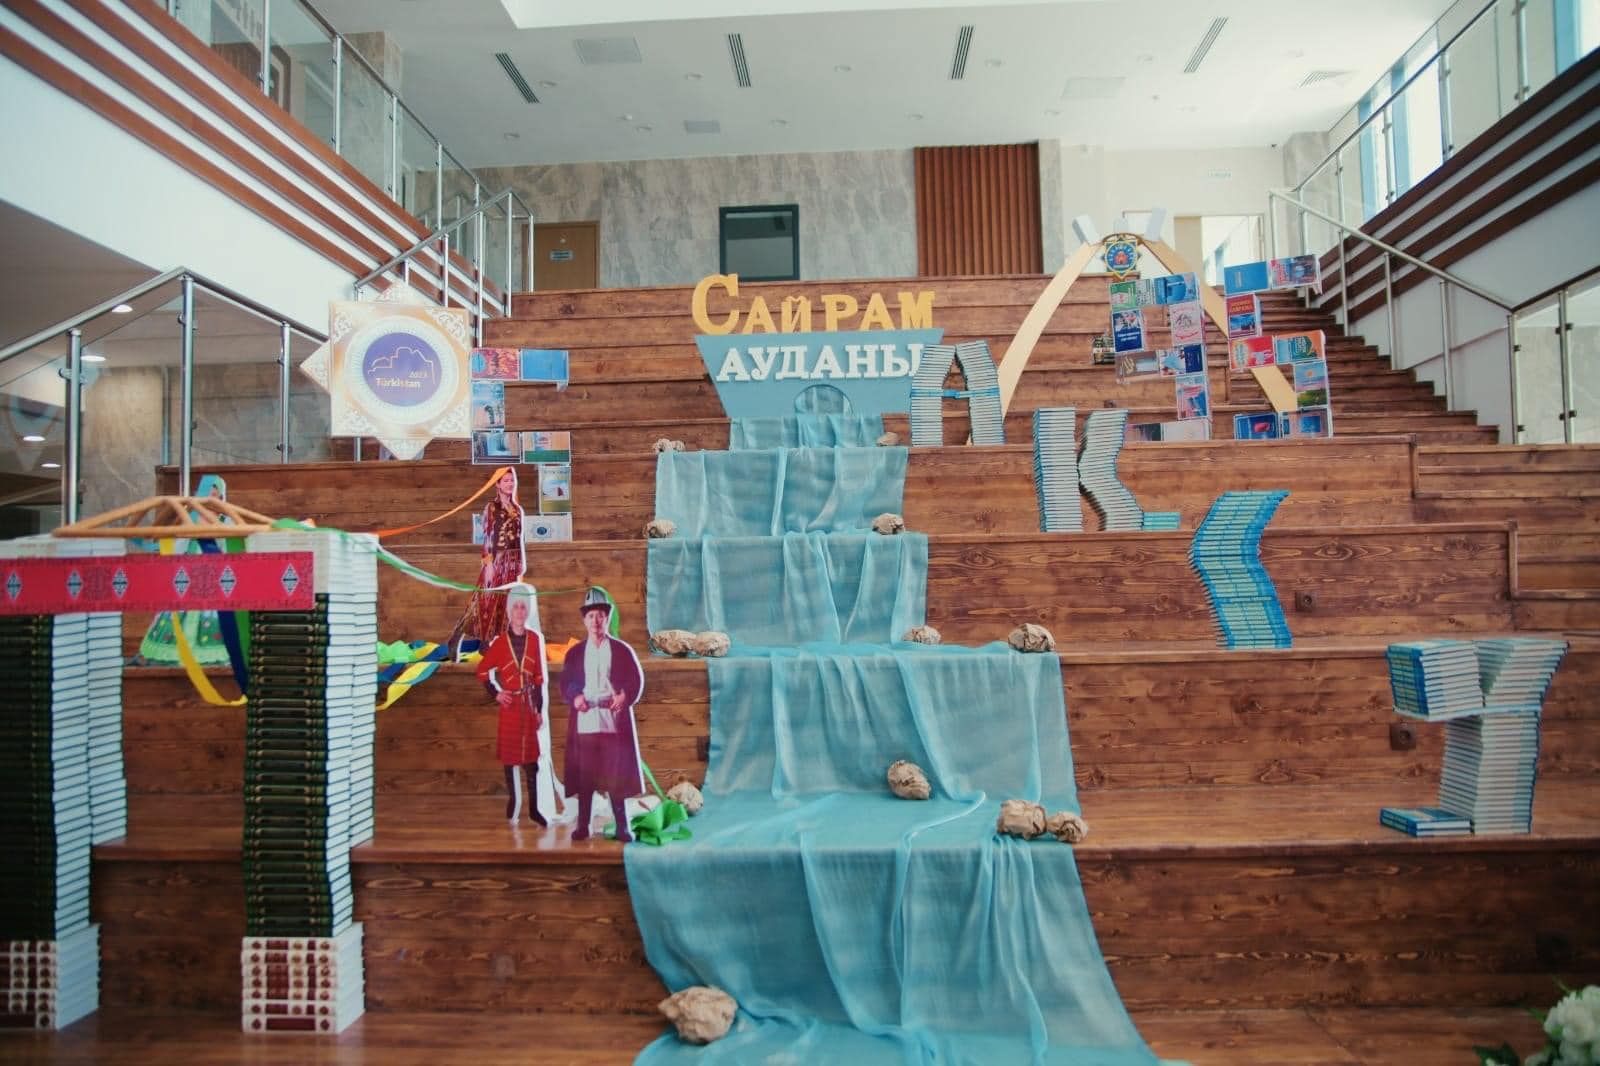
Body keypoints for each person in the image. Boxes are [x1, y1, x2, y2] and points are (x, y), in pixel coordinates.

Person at [559, 588, 645, 843]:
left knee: (615, 777)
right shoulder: (575, 653)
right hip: (585, 722)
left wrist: (624, 696)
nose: (596, 621)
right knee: (586, 777)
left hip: (612, 722)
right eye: (591, 616)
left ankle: (622, 826)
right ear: (584, 620)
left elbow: (635, 680)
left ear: (607, 618)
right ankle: (583, 826)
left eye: (600, 615)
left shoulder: (622, 650)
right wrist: (575, 697)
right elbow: (566, 682)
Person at [134, 474, 230, 666]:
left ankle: (212, 657)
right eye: (205, 494)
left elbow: (231, 549)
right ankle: (172, 656)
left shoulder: (227, 522)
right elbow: (174, 547)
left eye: (214, 495)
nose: (209, 499)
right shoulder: (189, 519)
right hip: (187, 575)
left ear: (221, 498)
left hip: (215, 577)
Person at [475, 583, 548, 826]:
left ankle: (534, 809)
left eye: (523, 607)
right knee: (510, 758)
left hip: (528, 706)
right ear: (509, 611)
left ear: (528, 610)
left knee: (531, 761)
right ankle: (513, 800)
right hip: (510, 707)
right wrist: (496, 693)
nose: (519, 611)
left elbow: (538, 678)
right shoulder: (499, 643)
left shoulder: (535, 640)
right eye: (515, 606)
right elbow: (482, 671)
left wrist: (539, 709)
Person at [450, 468, 526, 656]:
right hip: (496, 560)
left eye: (512, 480)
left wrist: (520, 562)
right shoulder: (492, 508)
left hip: (512, 562)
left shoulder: (517, 509)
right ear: (497, 485)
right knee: (485, 601)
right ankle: (458, 636)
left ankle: (487, 644)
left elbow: (519, 537)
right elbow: (487, 537)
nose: (510, 483)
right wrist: (489, 564)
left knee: (504, 603)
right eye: (505, 481)